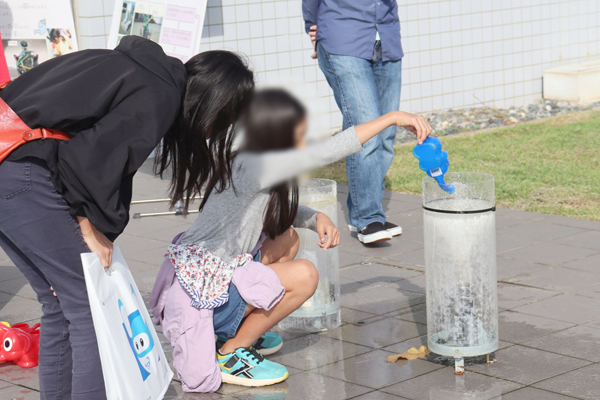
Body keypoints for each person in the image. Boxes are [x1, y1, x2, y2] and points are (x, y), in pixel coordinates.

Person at [0, 36, 254, 399]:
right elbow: (91, 161)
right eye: (221, 121)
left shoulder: (134, 68)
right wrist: (89, 225)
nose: (212, 133)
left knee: (58, 301)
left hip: (9, 163)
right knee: (87, 305)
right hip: (19, 168)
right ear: (213, 102)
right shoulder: (159, 93)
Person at [150, 89, 431, 392]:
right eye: (298, 135)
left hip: (208, 281)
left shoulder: (248, 160)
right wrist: (392, 118)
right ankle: (231, 353)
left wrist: (315, 218)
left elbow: (270, 208)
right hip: (203, 298)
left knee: (287, 239)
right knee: (306, 275)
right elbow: (330, 150)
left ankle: (239, 330)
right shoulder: (257, 165)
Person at [303, 0, 405, 244]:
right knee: (366, 128)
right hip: (343, 37)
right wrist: (313, 26)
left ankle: (365, 212)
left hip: (386, 37)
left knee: (386, 134)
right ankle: (367, 218)